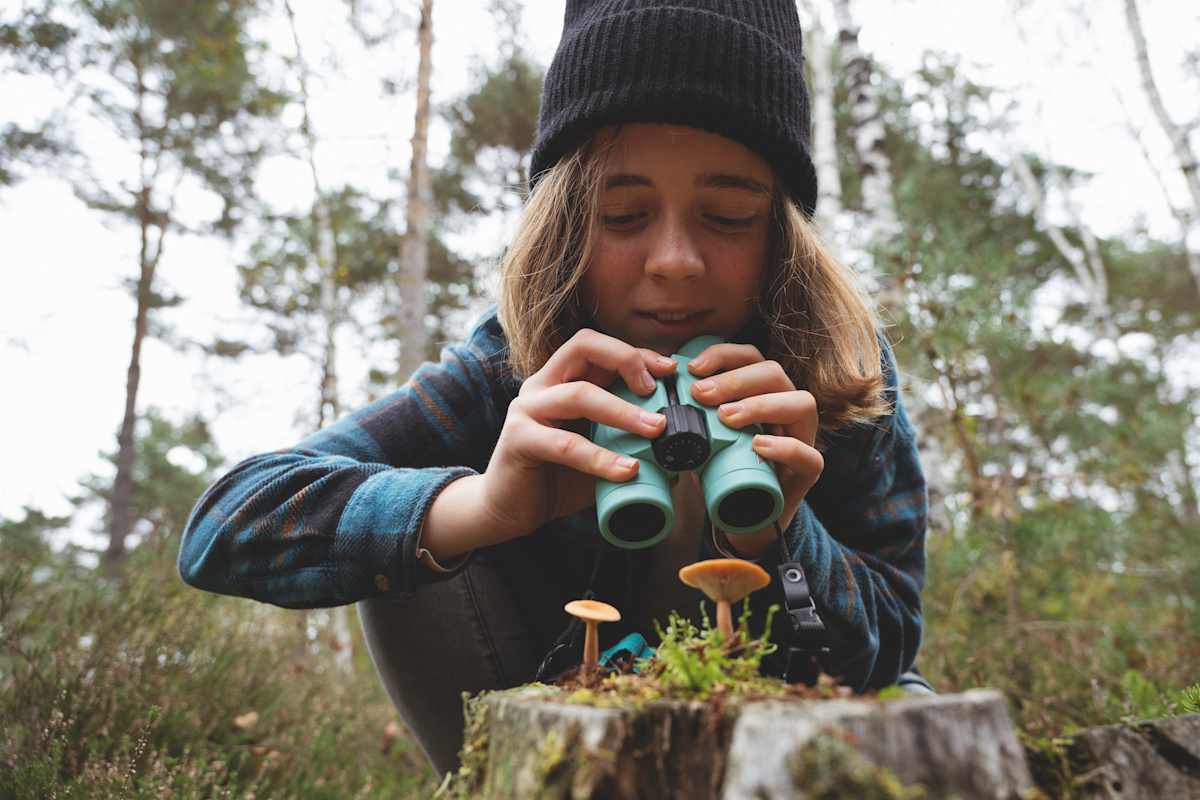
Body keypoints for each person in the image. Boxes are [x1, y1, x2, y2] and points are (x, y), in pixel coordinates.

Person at [178, 0, 929, 777]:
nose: (675, 261)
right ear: (565, 222)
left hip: (794, 749)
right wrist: (480, 507)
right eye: (623, 214)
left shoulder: (838, 368)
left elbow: (893, 640)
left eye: (729, 215)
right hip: (548, 750)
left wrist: (777, 539)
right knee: (407, 527)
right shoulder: (509, 368)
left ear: (782, 232)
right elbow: (225, 526)